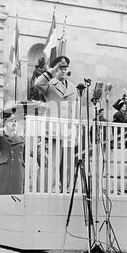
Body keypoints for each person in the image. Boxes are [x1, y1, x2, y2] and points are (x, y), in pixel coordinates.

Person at [34, 56, 77, 191]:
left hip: (69, 129)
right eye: (60, 69)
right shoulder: (50, 84)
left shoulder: (73, 87)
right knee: (55, 161)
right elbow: (37, 84)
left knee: (68, 162)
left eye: (65, 69)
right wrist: (51, 71)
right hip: (54, 129)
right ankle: (54, 188)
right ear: (55, 70)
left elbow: (75, 108)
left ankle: (67, 188)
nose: (63, 71)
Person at [0, 108, 25, 195]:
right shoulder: (1, 137)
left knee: (16, 197)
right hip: (4, 170)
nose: (14, 123)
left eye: (15, 121)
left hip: (17, 170)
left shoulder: (22, 139)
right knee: (2, 195)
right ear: (5, 123)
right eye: (11, 121)